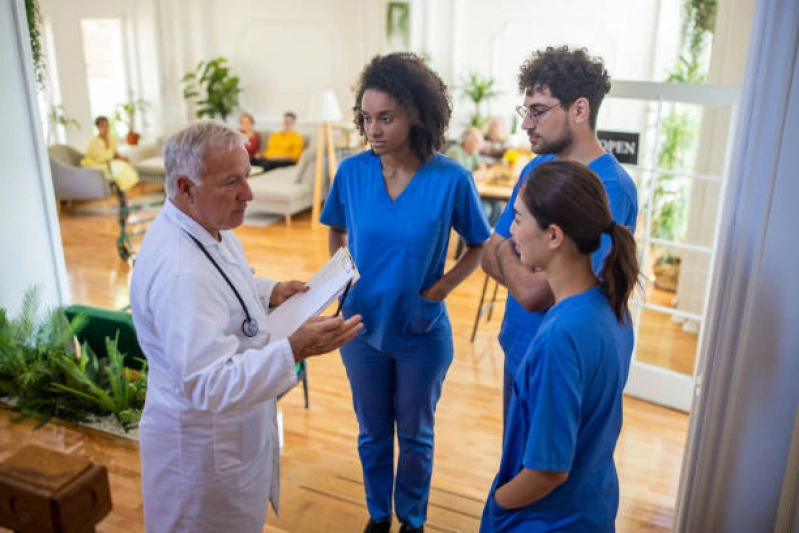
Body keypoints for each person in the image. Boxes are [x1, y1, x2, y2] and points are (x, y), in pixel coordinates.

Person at [129, 120, 363, 533]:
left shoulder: (203, 225)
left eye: (248, 176)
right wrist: (294, 349)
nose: (249, 194)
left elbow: (227, 282)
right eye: (231, 182)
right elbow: (207, 383)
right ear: (185, 187)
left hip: (232, 437)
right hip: (203, 455)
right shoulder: (181, 272)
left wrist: (270, 292)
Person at [320, 52, 491, 533]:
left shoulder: (451, 178)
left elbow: (478, 246)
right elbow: (334, 228)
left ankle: (411, 520)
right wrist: (344, 275)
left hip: (421, 332)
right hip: (359, 326)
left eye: (386, 118)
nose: (373, 129)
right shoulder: (352, 174)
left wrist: (435, 295)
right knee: (372, 434)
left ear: (416, 113)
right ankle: (378, 516)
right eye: (367, 118)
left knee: (415, 436)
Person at [481, 45, 639, 421]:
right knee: (516, 466)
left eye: (538, 111)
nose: (526, 124)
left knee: (543, 473)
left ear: (579, 110)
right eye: (526, 111)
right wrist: (513, 259)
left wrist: (507, 252)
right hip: (518, 349)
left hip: (561, 360)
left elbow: (536, 294)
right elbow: (488, 253)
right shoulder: (537, 167)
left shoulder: (611, 188)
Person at [480, 160, 638, 531]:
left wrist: (498, 505)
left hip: (546, 519)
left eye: (518, 219)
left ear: (554, 236)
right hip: (591, 506)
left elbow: (547, 471)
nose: (511, 231)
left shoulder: (560, 338)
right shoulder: (611, 306)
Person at [80, 115, 140, 191]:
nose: (106, 128)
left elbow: (114, 152)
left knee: (124, 166)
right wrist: (111, 157)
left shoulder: (110, 138)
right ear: (98, 128)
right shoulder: (94, 141)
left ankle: (123, 191)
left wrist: (122, 158)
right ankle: (119, 190)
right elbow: (100, 158)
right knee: (117, 169)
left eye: (107, 125)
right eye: (102, 126)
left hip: (108, 162)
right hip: (96, 163)